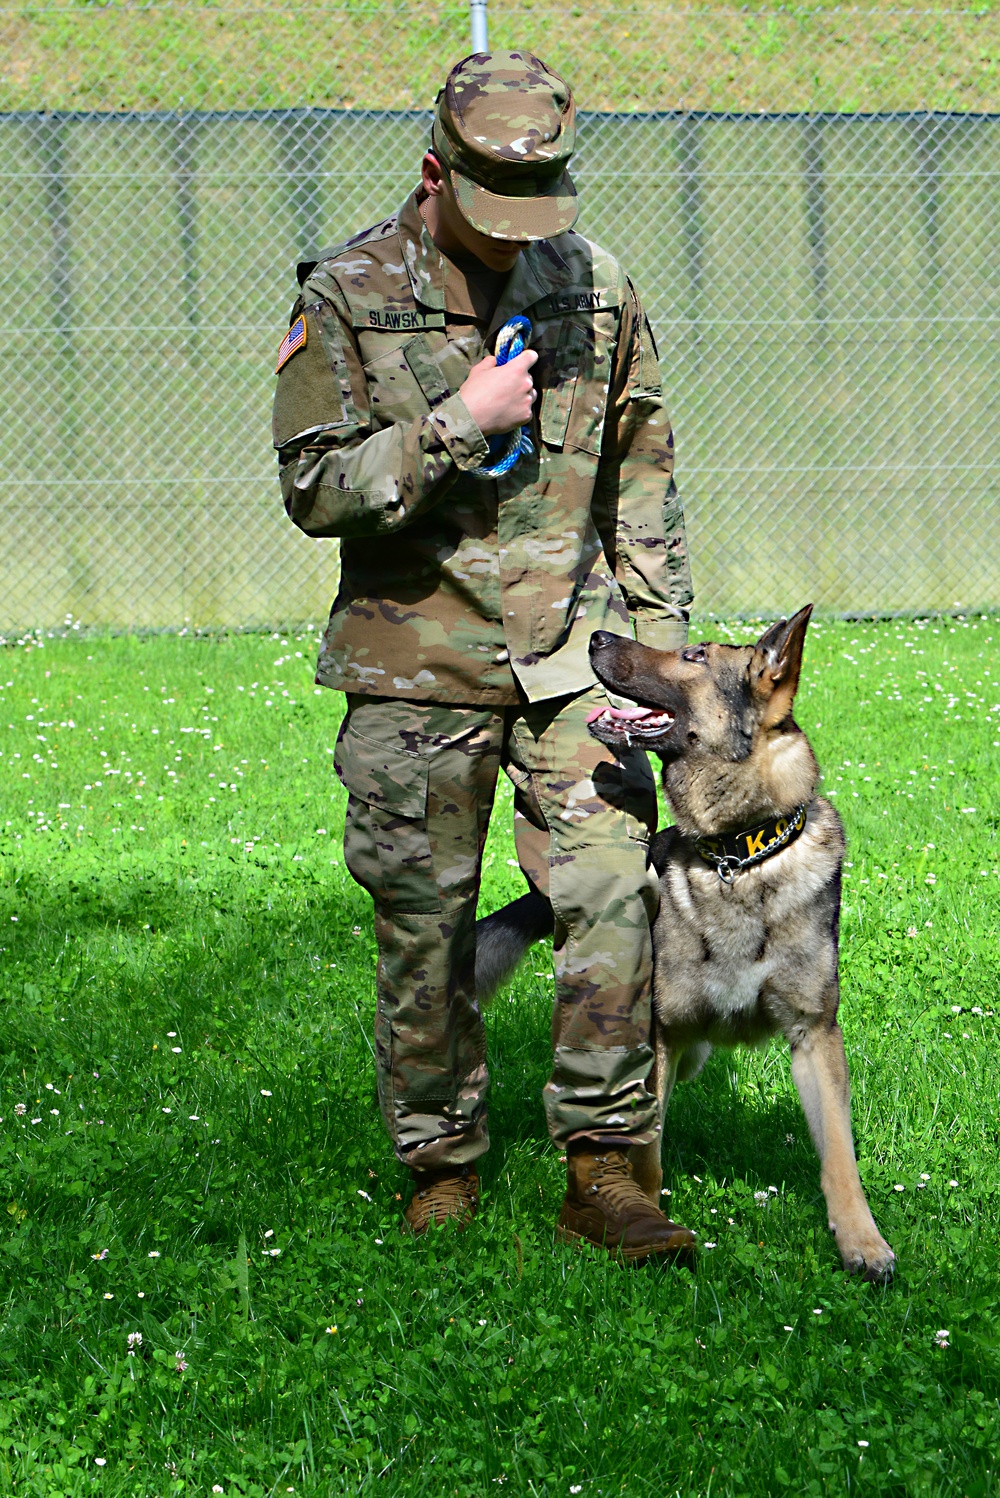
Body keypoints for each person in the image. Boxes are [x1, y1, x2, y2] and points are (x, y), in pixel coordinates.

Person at [272, 50, 695, 1261]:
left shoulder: (598, 287)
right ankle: (441, 1160)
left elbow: (643, 482)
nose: (516, 236)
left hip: (574, 664)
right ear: (433, 169)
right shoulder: (350, 290)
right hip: (416, 666)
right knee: (425, 925)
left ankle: (604, 1167)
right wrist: (460, 425)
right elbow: (313, 486)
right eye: (490, 204)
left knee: (612, 895)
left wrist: (661, 664)